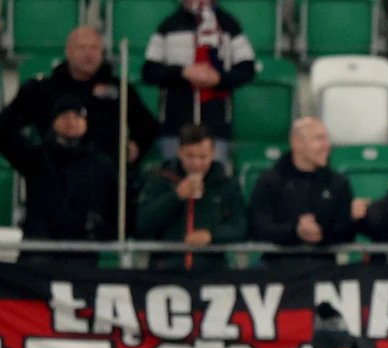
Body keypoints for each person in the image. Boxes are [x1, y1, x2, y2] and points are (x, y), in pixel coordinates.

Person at [5, 27, 158, 170]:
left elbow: (148, 127)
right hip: (56, 175)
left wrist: (136, 146)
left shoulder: (120, 89)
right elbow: (5, 126)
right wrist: (27, 158)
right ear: (68, 51)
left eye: (94, 48)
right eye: (82, 48)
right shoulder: (42, 89)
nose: (89, 54)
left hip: (105, 176)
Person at [0, 95, 118, 269]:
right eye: (64, 116)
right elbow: (4, 133)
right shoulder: (36, 157)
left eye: (77, 116)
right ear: (53, 121)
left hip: (81, 251)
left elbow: (116, 209)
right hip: (39, 251)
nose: (71, 122)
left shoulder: (101, 164)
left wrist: (102, 229)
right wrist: (27, 98)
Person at [142, 0, 257, 163]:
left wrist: (219, 78)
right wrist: (183, 73)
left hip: (215, 127)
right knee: (173, 182)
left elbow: (248, 69)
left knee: (214, 184)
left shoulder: (228, 24)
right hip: (175, 127)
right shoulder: (169, 25)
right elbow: (149, 72)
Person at [136, 123, 247, 271]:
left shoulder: (226, 183)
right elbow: (141, 226)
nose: (196, 163)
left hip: (212, 273)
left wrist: (211, 235)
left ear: (213, 153)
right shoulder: (159, 180)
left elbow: (241, 226)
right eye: (190, 156)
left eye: (202, 157)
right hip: (165, 271)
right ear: (179, 152)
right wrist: (175, 196)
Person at [249, 118, 354, 268]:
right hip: (276, 272)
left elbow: (346, 232)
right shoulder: (269, 181)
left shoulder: (338, 184)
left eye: (326, 138)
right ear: (296, 143)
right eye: (319, 138)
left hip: (325, 273)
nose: (327, 145)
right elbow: (258, 227)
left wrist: (322, 233)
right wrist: (295, 231)